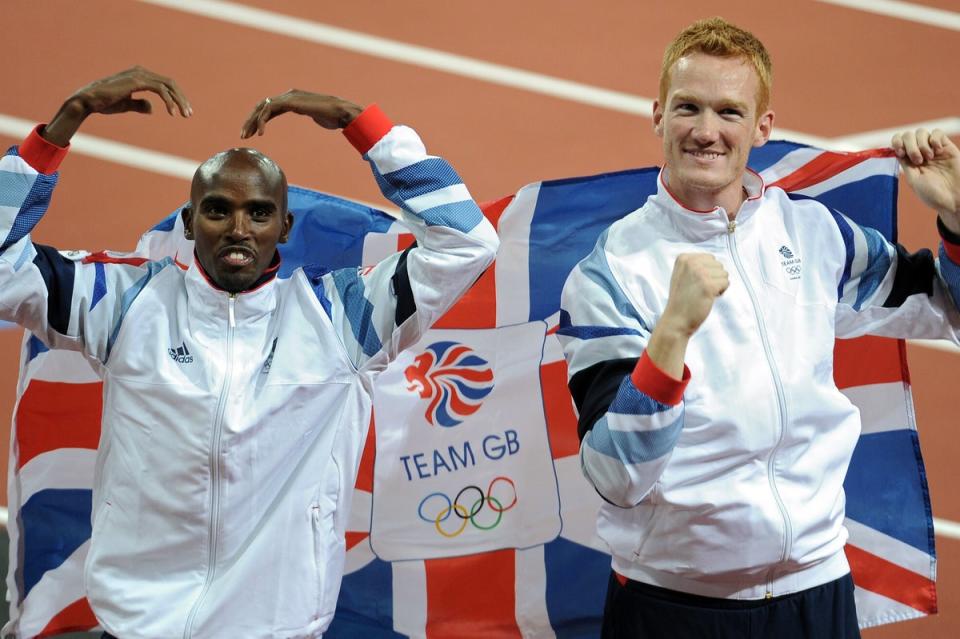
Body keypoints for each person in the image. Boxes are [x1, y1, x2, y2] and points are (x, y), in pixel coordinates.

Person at [0, 67, 499, 638]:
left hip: (273, 626)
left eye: (258, 213)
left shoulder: (340, 320)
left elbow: (468, 240)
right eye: (217, 210)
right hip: (138, 623)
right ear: (189, 223)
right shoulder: (124, 305)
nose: (238, 228)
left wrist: (364, 129)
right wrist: (65, 122)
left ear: (283, 227)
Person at [558, 17, 960, 639]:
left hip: (817, 593)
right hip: (676, 606)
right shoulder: (610, 274)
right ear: (659, 116)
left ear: (762, 126)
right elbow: (615, 475)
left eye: (729, 111)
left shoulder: (816, 235)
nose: (706, 131)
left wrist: (957, 222)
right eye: (688, 108)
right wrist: (672, 333)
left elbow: (946, 311)